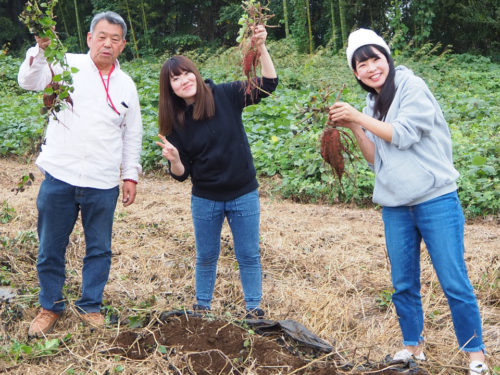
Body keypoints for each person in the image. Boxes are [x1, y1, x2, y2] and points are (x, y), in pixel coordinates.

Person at [328, 28, 489, 375]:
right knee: (403, 282)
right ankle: (413, 347)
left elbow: (402, 135)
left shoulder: (411, 87)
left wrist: (357, 116)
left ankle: (476, 355)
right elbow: (375, 159)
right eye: (361, 64)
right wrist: (355, 127)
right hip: (396, 206)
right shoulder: (372, 103)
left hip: (435, 199)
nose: (371, 68)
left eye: (375, 58)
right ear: (355, 73)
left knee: (453, 280)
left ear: (387, 58)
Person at [18, 11, 143, 336]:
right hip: (60, 176)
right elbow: (28, 81)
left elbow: (132, 133)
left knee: (99, 248)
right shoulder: (65, 64)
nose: (107, 43)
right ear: (89, 38)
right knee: (49, 247)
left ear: (123, 45)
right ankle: (50, 306)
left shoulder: (127, 85)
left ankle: (90, 305)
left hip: (103, 183)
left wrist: (130, 174)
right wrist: (42, 49)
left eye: (115, 39)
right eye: (101, 36)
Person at [156, 25, 277, 318]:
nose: (183, 81)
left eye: (186, 73)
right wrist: (173, 159)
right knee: (207, 256)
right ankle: (202, 308)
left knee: (248, 255)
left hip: (243, 193)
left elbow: (269, 84)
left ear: (195, 73)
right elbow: (182, 174)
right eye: (175, 79)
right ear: (169, 88)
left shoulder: (226, 94)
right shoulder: (175, 123)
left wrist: (260, 48)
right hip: (206, 198)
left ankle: (254, 309)